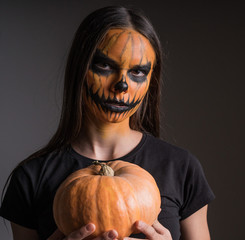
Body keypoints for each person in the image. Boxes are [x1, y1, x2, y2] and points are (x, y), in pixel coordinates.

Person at [0, 5, 215, 240]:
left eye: (137, 72)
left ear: (151, 80)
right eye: (104, 66)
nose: (121, 85)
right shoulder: (31, 178)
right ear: (80, 69)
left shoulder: (182, 168)